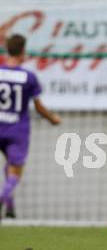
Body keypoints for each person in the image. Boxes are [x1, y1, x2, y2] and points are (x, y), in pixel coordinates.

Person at [0, 34, 60, 219]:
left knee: (8, 167)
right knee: (16, 171)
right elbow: (39, 106)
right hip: (17, 130)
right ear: (23, 51)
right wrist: (52, 118)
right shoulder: (28, 76)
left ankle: (10, 209)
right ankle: (2, 198)